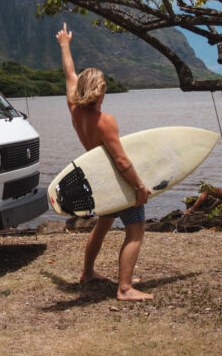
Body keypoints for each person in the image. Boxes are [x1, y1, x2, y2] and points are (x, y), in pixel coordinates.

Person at [56, 22, 154, 301]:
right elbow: (121, 160)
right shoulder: (105, 121)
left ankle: (87, 272)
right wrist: (140, 186)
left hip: (98, 180)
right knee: (135, 232)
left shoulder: (74, 109)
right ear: (103, 90)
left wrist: (65, 45)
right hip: (118, 182)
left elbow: (69, 73)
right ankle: (124, 288)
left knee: (103, 225)